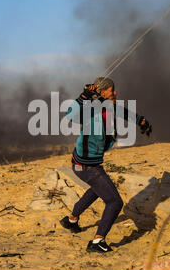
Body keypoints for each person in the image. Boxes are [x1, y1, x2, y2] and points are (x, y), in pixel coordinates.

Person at [60, 77, 152, 253]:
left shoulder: (107, 107)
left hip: (87, 163)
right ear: (102, 93)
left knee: (96, 190)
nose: (115, 92)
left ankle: (71, 220)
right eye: (112, 90)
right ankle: (97, 242)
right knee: (115, 202)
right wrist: (83, 96)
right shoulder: (90, 110)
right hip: (86, 166)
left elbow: (124, 113)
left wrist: (141, 121)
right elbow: (70, 115)